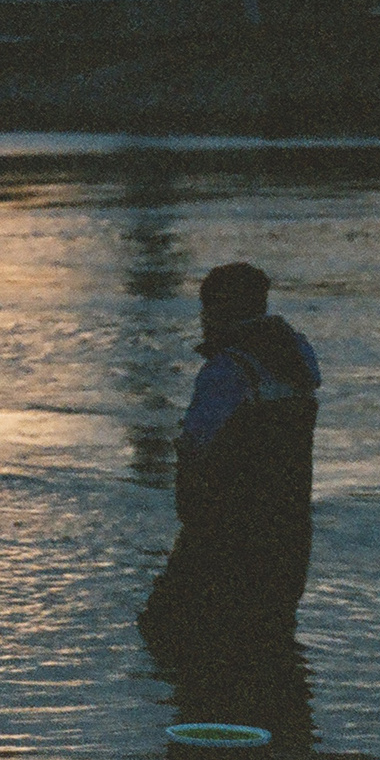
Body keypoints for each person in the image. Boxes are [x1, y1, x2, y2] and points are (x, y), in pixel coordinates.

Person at [140, 262, 321, 649]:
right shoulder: (298, 358)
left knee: (168, 638)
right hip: (288, 535)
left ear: (218, 310)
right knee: (269, 644)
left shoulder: (226, 372)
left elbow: (196, 447)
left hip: (226, 540)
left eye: (206, 310)